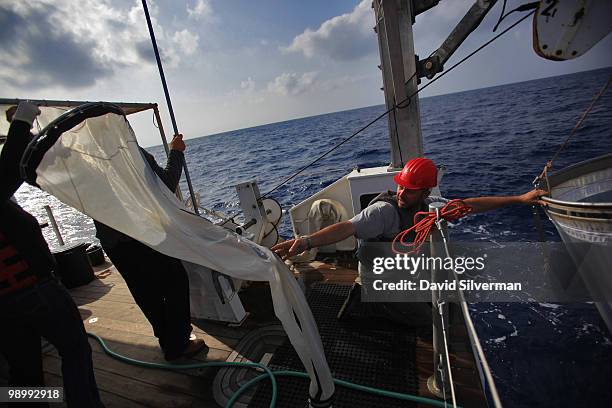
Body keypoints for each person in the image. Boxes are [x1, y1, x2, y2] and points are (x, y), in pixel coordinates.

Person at [272, 157, 546, 320]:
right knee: (432, 322)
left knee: (449, 307)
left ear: (426, 191)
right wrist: (307, 242)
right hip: (379, 279)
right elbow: (346, 227)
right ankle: (365, 302)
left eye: (411, 190)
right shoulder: (383, 211)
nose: (402, 193)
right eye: (401, 186)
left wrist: (520, 199)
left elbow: (470, 204)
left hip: (403, 272)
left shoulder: (430, 206)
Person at [0, 102, 104, 407]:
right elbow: (8, 171)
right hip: (33, 290)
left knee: (23, 372)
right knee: (74, 350)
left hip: (5, 308)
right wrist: (21, 121)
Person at [94, 134, 207, 361]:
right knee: (175, 282)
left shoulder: (88, 161)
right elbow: (166, 184)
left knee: (144, 292)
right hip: (141, 236)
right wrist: (176, 152)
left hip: (112, 241)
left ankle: (167, 341)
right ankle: (179, 344)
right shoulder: (128, 150)